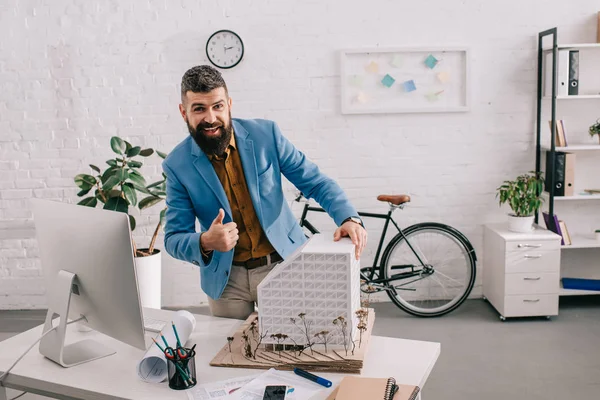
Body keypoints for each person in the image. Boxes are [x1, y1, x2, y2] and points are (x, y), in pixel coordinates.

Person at [162, 65, 367, 320]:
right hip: (226, 282)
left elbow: (315, 181)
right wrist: (204, 241)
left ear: (229, 104)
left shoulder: (266, 135)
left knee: (291, 350)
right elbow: (173, 238)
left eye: (218, 106)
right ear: (184, 112)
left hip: (283, 265)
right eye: (199, 109)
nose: (211, 118)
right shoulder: (176, 165)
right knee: (231, 355)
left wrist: (348, 218)